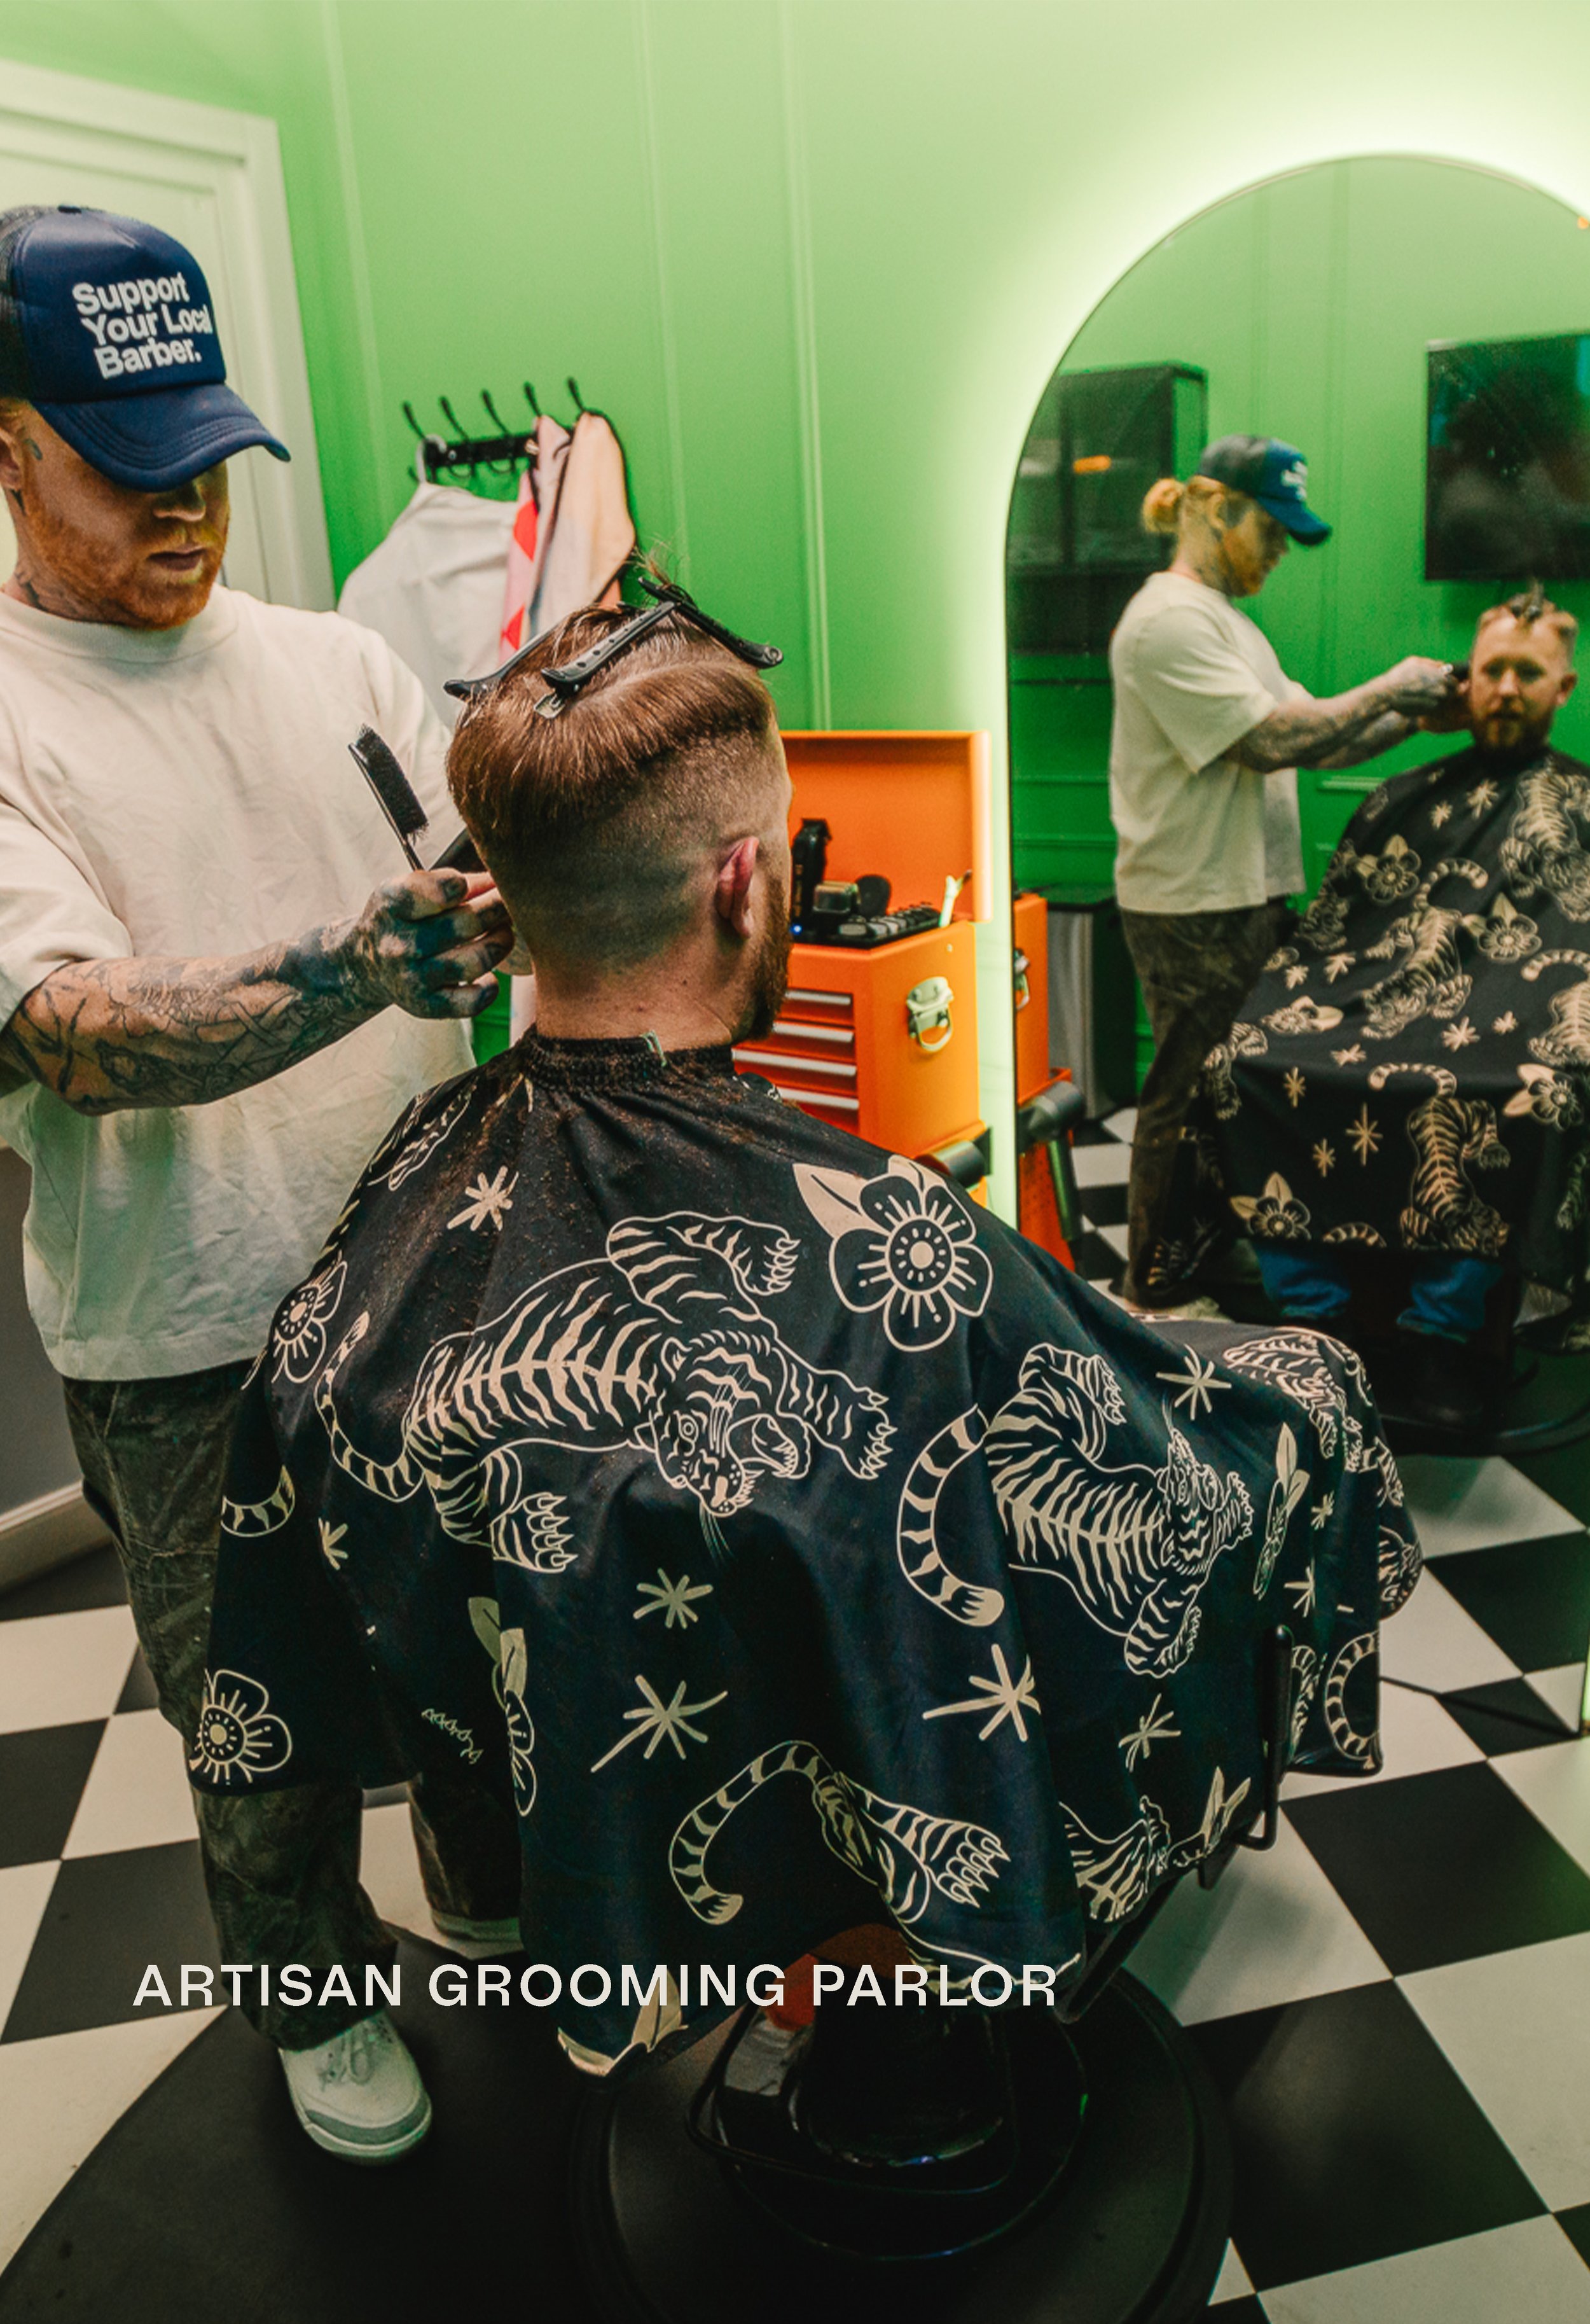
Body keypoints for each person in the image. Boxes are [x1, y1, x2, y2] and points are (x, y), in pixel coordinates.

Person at [193, 588, 1418, 2083]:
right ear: (742, 884)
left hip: (587, 1745)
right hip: (852, 1736)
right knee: (1295, 1393)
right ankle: (928, 1955)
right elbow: (1105, 1462)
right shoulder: (874, 1235)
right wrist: (1277, 1386)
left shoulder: (410, 1180)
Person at [0, 204, 523, 2161]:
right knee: (265, 1724)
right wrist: (356, 966)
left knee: (477, 1636)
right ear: (6, 446)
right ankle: (312, 1990)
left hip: (428, 1276)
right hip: (184, 1331)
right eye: (129, 467)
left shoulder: (341, 662)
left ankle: (493, 1893)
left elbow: (482, 856)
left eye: (206, 456)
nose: (187, 506)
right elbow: (65, 1025)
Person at [1197, 587, 1589, 1435]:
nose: (1508, 690)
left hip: (1515, 1032)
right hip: (1374, 1013)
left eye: (1530, 673)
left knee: (1539, 1090)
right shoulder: (1402, 798)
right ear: (1464, 682)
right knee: (1241, 1065)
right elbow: (1338, 935)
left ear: (1565, 689)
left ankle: (1442, 1338)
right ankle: (1317, 1323)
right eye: (1493, 672)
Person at [1110, 433, 1460, 1309]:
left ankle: (1210, 1251)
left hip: (1244, 893)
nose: (1277, 553)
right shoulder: (1166, 621)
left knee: (1233, 1092)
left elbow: (1321, 734)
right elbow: (1270, 742)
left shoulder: (1230, 625)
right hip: (1194, 902)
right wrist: (1391, 685)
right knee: (1186, 1092)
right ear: (1216, 508)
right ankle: (1150, 1281)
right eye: (1271, 531)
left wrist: (1424, 715)